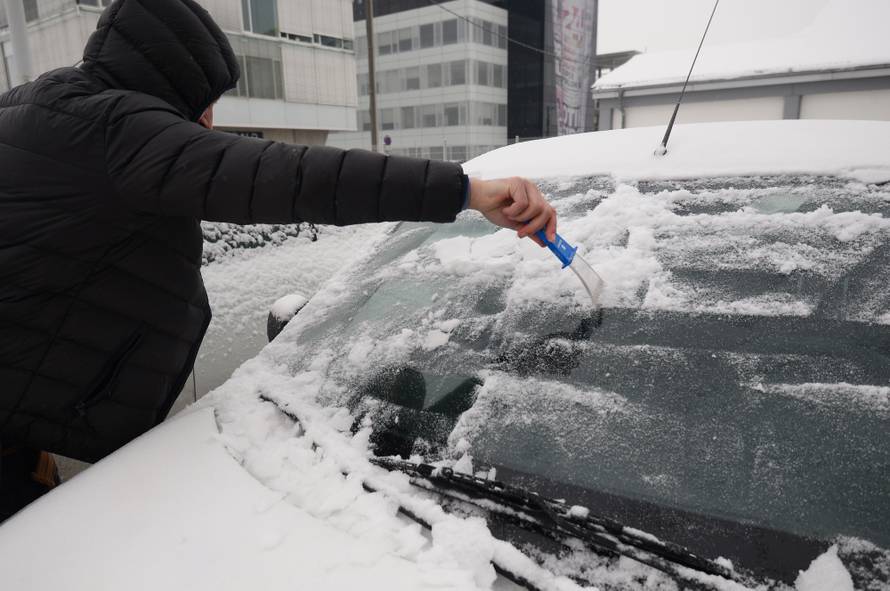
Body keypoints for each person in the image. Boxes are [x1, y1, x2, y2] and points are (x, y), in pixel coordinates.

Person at [0, 0, 556, 521]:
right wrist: (468, 192)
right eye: (204, 104)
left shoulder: (30, 108)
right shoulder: (118, 132)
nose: (209, 122)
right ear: (172, 84)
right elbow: (294, 177)